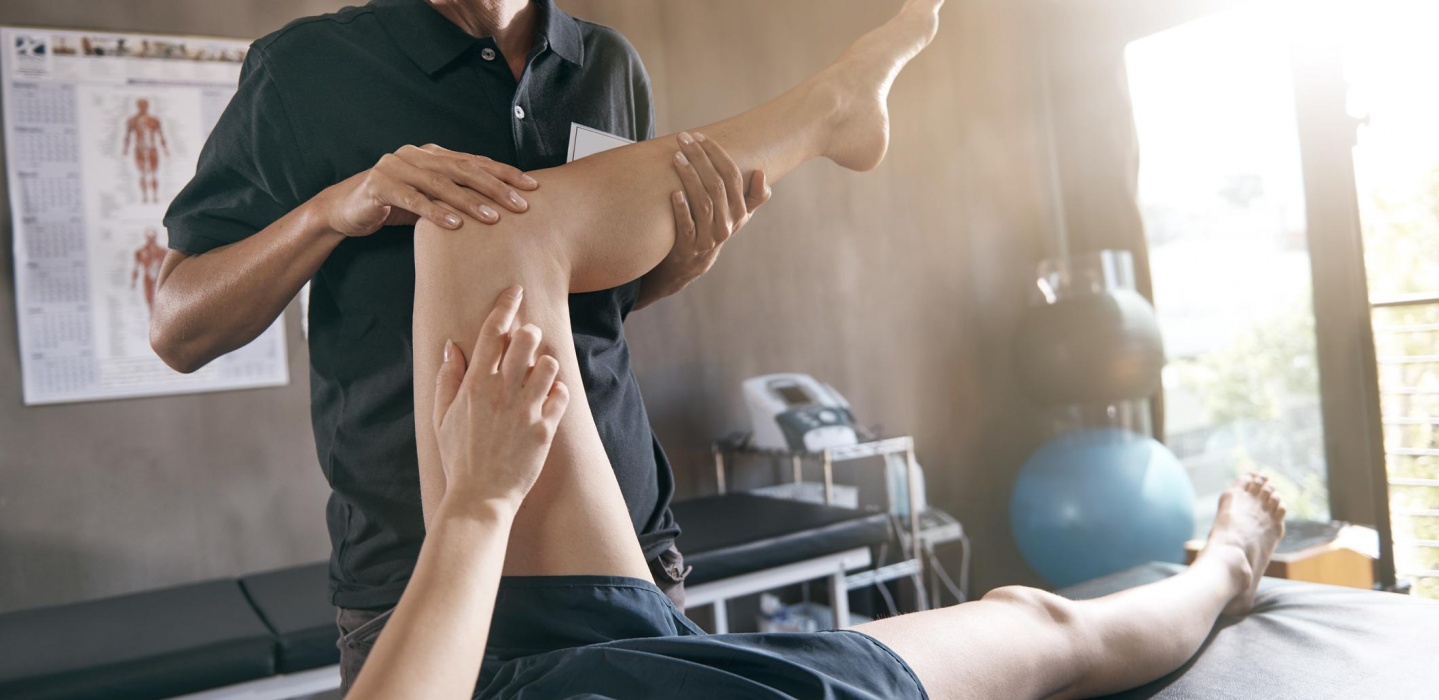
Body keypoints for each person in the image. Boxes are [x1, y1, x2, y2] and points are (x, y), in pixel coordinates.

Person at [372, 1, 1286, 698]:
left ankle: (837, 109)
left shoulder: (602, 61)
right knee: (1040, 625)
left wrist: (480, 510)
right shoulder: (307, 72)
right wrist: (479, 502)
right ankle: (1224, 573)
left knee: (468, 228)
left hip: (501, 662)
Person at [151, 0, 766, 690]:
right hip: (419, 570)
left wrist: (674, 270)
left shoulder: (608, 65)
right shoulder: (305, 69)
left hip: (624, 544)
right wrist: (329, 211)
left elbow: (592, 312)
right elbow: (178, 327)